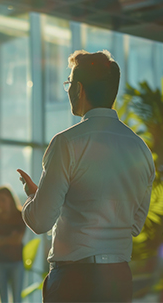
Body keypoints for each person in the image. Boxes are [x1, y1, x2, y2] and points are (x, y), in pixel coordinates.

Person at [18, 50, 155, 302]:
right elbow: (135, 225)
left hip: (75, 280)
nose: (68, 89)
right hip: (118, 279)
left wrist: (32, 198)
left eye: (69, 83)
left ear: (79, 89)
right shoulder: (140, 149)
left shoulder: (67, 143)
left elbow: (39, 221)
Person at [0, 186, 26, 303]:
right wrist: (9, 238)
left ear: (10, 200)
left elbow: (17, 239)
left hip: (16, 262)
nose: (0, 203)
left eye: (3, 200)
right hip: (0, 262)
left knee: (17, 299)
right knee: (2, 299)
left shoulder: (19, 216)